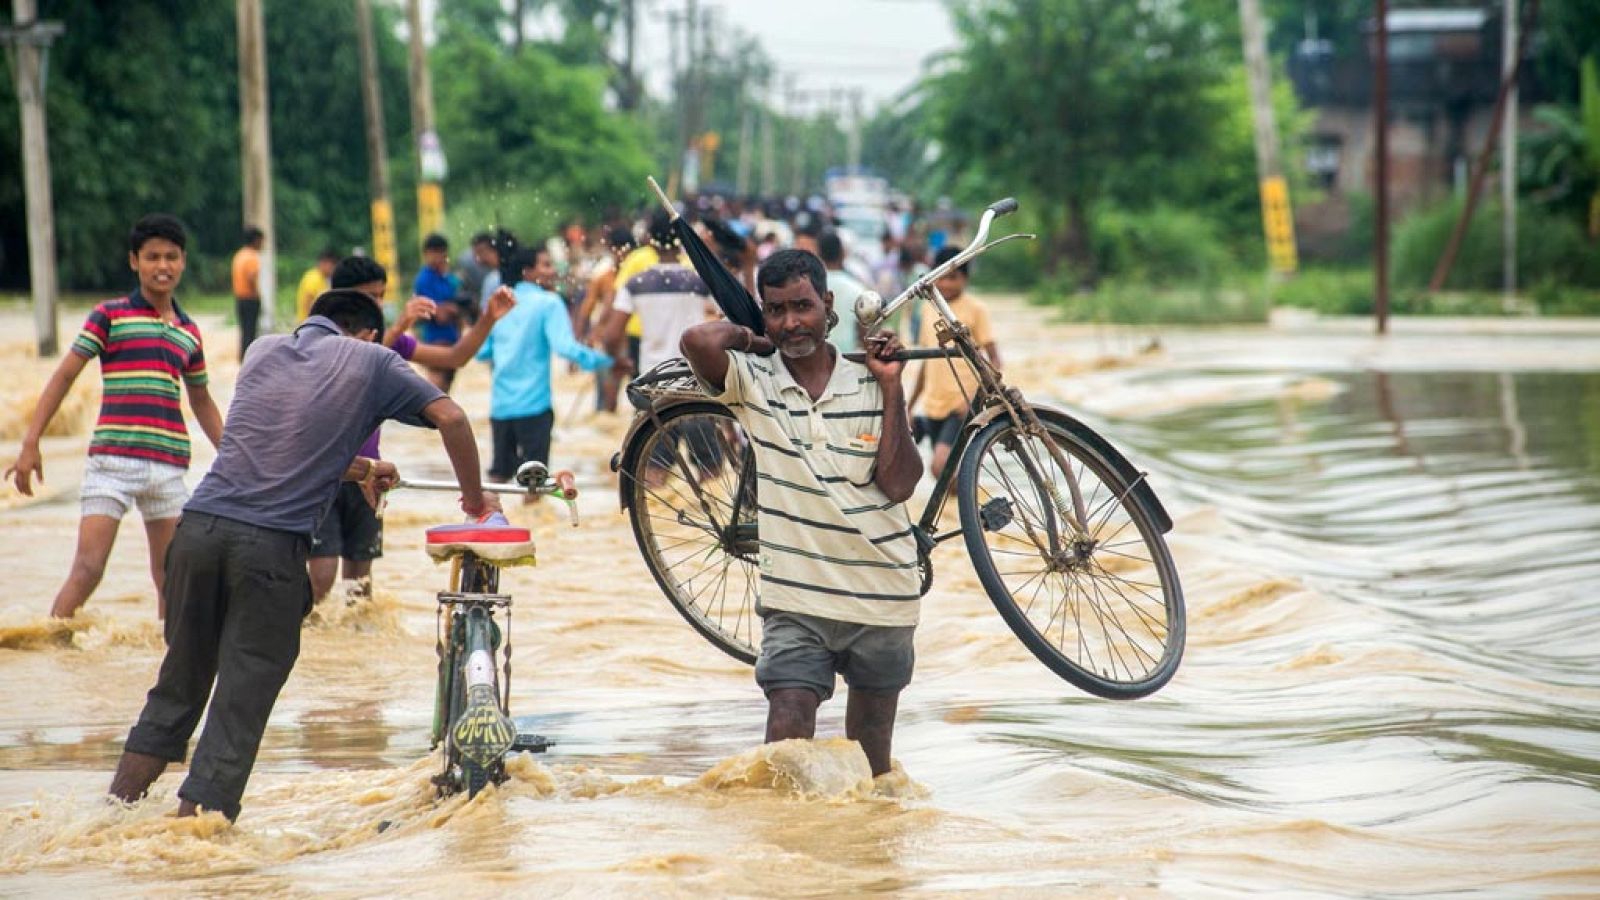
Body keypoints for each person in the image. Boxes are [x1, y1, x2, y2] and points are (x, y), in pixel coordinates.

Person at [106, 289, 497, 822]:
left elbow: (278, 444)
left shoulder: (263, 351)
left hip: (197, 532)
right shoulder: (374, 358)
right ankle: (191, 840)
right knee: (241, 698)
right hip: (267, 547)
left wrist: (360, 469)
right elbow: (452, 418)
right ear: (365, 333)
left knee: (179, 683)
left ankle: (112, 813)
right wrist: (475, 502)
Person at [678, 249, 922, 778]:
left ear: (829, 305)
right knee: (784, 751)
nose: (792, 323)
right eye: (777, 310)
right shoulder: (753, 381)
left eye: (803, 307)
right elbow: (698, 341)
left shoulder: (869, 380)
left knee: (872, 759)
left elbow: (900, 483)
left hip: (882, 596)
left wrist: (892, 387)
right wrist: (753, 339)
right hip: (796, 600)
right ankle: (782, 860)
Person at [5, 214, 224, 620]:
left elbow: (202, 401)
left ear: (183, 262)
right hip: (111, 463)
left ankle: (169, 668)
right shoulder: (110, 316)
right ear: (133, 262)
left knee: (171, 577)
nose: (163, 266)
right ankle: (55, 649)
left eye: (171, 257)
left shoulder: (189, 331)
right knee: (89, 569)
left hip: (168, 466)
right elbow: (65, 375)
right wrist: (31, 443)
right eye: (152, 257)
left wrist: (235, 456)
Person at [307, 255, 514, 604]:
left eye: (381, 295)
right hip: (326, 473)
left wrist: (487, 319)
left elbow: (454, 358)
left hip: (369, 476)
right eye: (369, 295)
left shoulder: (393, 341)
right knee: (322, 575)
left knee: (360, 584)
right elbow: (361, 358)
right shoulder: (319, 342)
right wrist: (401, 323)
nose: (378, 303)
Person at [476, 246, 616, 482]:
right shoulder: (548, 303)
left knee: (498, 478)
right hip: (534, 406)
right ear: (528, 271)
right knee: (535, 485)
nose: (552, 271)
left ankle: (486, 519)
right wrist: (604, 362)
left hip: (501, 407)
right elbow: (564, 347)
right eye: (546, 265)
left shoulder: (499, 302)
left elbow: (481, 352)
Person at [908, 245, 1001, 479]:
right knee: (941, 475)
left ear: (965, 279)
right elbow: (926, 363)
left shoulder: (976, 310)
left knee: (940, 466)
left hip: (961, 406)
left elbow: (995, 361)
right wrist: (909, 406)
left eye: (953, 278)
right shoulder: (929, 310)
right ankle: (969, 508)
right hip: (932, 405)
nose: (946, 284)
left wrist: (974, 399)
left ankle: (971, 507)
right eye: (941, 278)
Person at [598, 213, 717, 376]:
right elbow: (728, 316)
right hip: (693, 376)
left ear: (651, 243)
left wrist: (618, 360)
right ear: (681, 241)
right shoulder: (698, 282)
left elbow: (611, 336)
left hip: (653, 377)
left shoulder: (636, 284)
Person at [413, 233, 464, 392]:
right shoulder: (424, 279)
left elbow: (458, 306)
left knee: (446, 385)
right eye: (435, 253)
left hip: (451, 338)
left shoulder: (447, 277)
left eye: (443, 253)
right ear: (427, 254)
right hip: (435, 339)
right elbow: (439, 315)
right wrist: (450, 309)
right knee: (437, 386)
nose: (439, 258)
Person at [817, 230, 867, 354]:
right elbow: (864, 333)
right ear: (842, 253)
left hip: (817, 359)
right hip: (847, 358)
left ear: (819, 254)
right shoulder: (856, 288)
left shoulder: (813, 287)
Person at [231, 226, 265, 359]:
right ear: (256, 240)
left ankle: (242, 355)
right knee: (251, 330)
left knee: (244, 329)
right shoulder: (252, 257)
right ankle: (250, 356)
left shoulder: (239, 255)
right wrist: (258, 293)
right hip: (250, 298)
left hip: (239, 298)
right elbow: (251, 277)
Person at [294, 248, 339, 322]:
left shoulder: (321, 278)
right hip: (310, 323)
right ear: (324, 263)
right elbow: (311, 304)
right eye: (333, 265)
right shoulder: (314, 279)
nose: (334, 269)